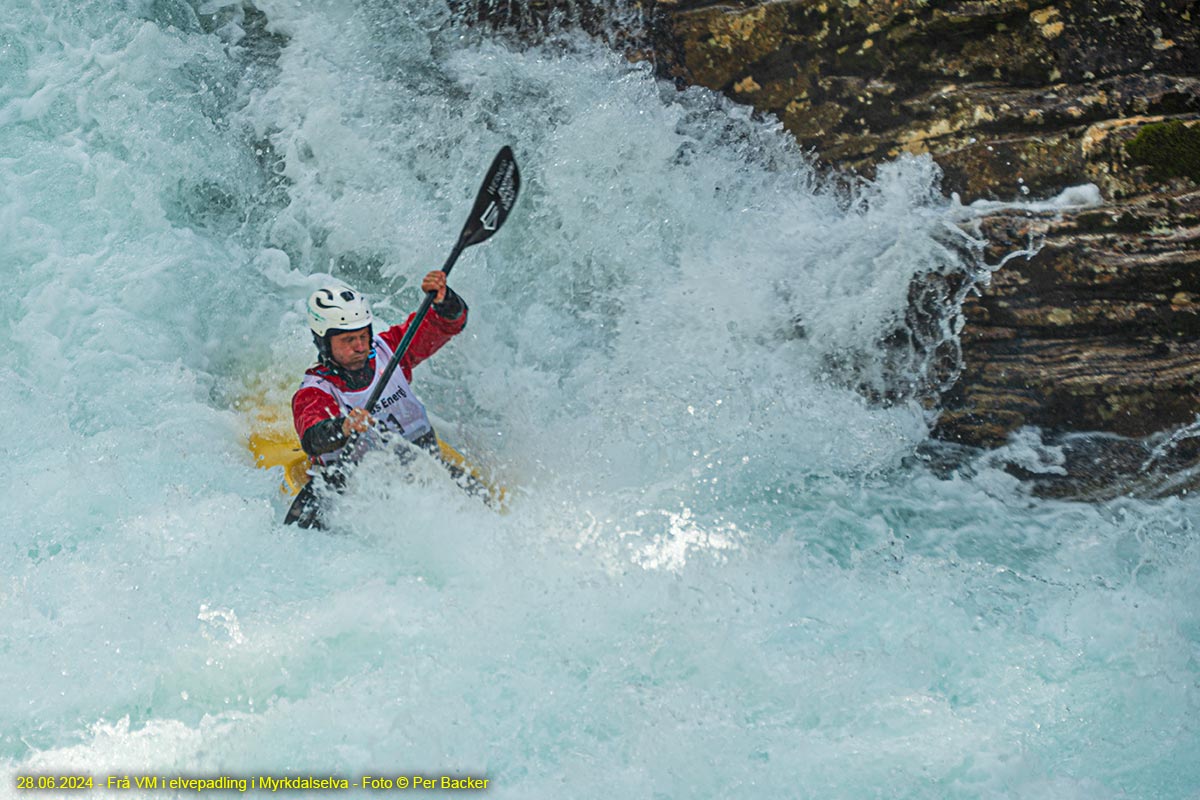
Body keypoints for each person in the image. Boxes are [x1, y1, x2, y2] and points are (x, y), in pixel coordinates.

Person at [287, 271, 468, 524]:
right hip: (361, 493)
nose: (360, 347)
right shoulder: (315, 391)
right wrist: (344, 427)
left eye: (363, 336)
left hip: (423, 470)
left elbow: (448, 324)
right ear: (324, 343)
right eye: (348, 340)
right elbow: (313, 438)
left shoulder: (390, 351)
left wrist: (445, 300)